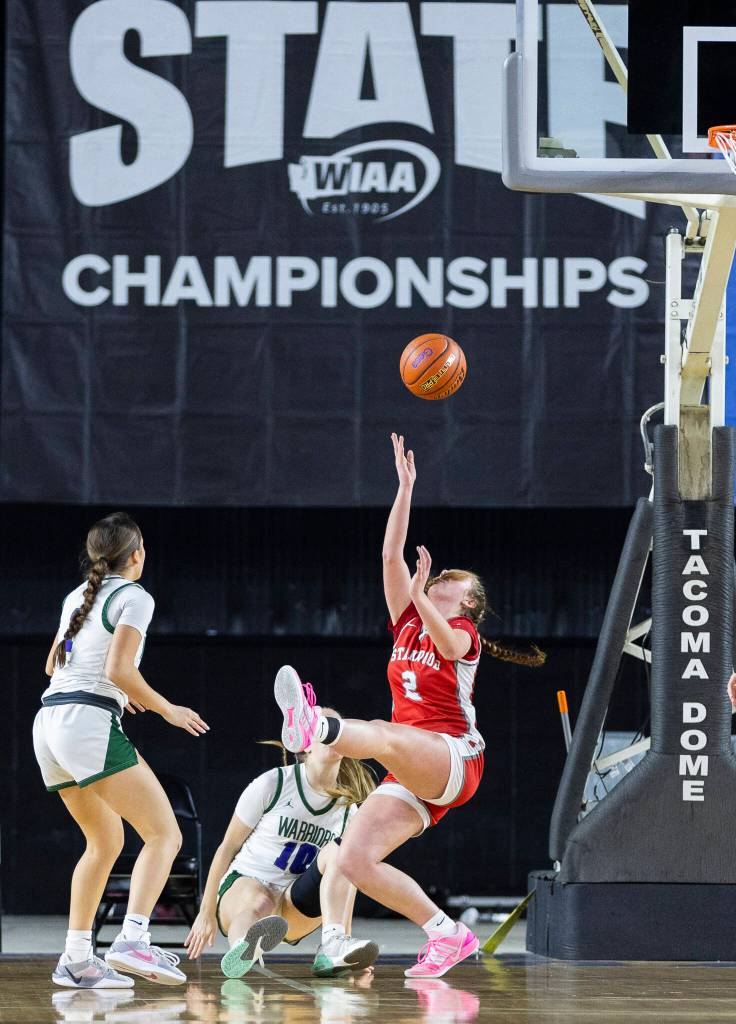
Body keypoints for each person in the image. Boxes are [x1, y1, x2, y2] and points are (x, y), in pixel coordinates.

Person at [274, 434, 544, 979]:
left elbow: (447, 647)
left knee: (385, 731)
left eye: (451, 580)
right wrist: (405, 487)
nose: (440, 576)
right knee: (352, 857)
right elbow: (389, 554)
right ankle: (448, 934)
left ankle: (317, 725)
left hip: (455, 756)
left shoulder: (464, 633)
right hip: (412, 767)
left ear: (466, 600)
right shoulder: (407, 619)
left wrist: (423, 595)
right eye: (437, 577)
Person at [33, 512, 209, 989]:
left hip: (48, 725)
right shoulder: (135, 596)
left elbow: (54, 664)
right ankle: (132, 939)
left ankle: (75, 959)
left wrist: (115, 690)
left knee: (106, 840)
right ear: (137, 555)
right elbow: (118, 668)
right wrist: (167, 708)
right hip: (84, 723)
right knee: (165, 836)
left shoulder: (77, 596)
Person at [184, 712, 379, 979]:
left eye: (337, 728)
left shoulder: (347, 810)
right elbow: (227, 847)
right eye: (324, 726)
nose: (332, 732)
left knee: (345, 855)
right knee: (259, 901)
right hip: (246, 885)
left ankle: (333, 948)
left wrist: (347, 942)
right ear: (307, 745)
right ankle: (242, 948)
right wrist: (205, 912)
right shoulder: (274, 783)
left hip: (293, 902)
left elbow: (348, 880)